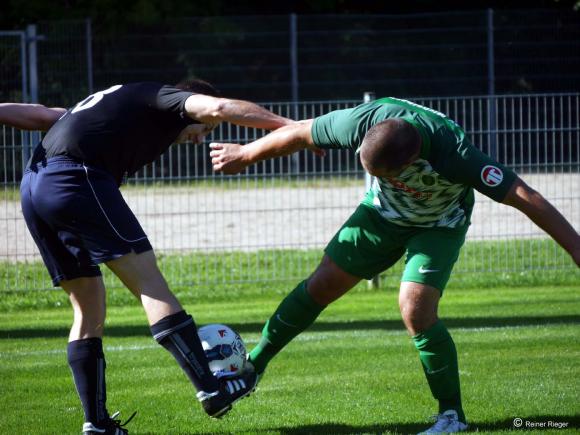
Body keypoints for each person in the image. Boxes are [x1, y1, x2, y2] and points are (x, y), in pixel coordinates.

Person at [209, 96, 580, 434]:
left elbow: (525, 196)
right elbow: (302, 132)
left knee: (415, 308)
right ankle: (253, 368)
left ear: (410, 163)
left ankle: (452, 417)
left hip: (440, 222)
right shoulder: (363, 120)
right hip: (381, 214)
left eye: (385, 174)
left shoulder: (456, 156)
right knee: (321, 285)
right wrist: (245, 154)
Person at [0, 80, 294, 434]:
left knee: (88, 305)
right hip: (75, 179)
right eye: (204, 130)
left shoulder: (113, 105)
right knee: (150, 284)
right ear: (189, 106)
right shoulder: (163, 98)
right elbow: (220, 107)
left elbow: (42, 116)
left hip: (33, 190)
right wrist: (290, 128)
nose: (202, 137)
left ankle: (97, 423)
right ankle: (211, 389)